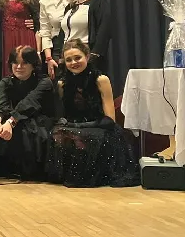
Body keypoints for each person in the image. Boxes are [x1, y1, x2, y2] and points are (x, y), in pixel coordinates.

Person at [46, 40, 138, 187]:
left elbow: (110, 119)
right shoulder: (62, 84)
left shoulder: (101, 80)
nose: (73, 63)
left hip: (99, 125)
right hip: (74, 125)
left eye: (78, 58)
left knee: (89, 136)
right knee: (57, 133)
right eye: (69, 60)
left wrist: (82, 126)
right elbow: (64, 113)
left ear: (87, 57)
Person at [0, 45, 57, 180]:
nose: (19, 67)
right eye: (15, 63)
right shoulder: (6, 81)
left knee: (25, 132)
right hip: (12, 116)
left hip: (36, 117)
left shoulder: (44, 82)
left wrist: (11, 122)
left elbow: (29, 103)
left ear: (33, 65)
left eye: (24, 63)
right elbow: (1, 101)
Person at [61, 0, 112, 75]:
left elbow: (104, 31)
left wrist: (93, 56)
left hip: (88, 60)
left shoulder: (98, 2)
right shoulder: (69, 7)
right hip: (69, 59)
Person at [38, 0, 70, 77]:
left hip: (79, 47)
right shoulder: (45, 3)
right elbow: (45, 32)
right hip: (57, 50)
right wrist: (49, 58)